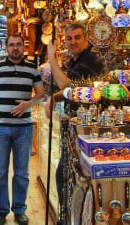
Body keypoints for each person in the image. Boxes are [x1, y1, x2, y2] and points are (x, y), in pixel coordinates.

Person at [45, 22, 103, 222]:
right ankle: (68, 217)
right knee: (66, 178)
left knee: (71, 179)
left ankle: (70, 218)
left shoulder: (91, 59)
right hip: (76, 128)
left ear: (86, 38)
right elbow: (71, 90)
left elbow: (68, 87)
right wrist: (55, 97)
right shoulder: (76, 61)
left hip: (87, 129)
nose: (73, 42)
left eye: (77, 37)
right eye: (69, 38)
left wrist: (51, 58)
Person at [0, 34, 45, 225]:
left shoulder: (33, 70)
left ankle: (19, 209)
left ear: (24, 47)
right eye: (11, 45)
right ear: (6, 48)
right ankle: (1, 210)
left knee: (22, 172)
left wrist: (28, 104)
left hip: (24, 130)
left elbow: (41, 95)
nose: (15, 48)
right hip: (0, 129)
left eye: (18, 45)